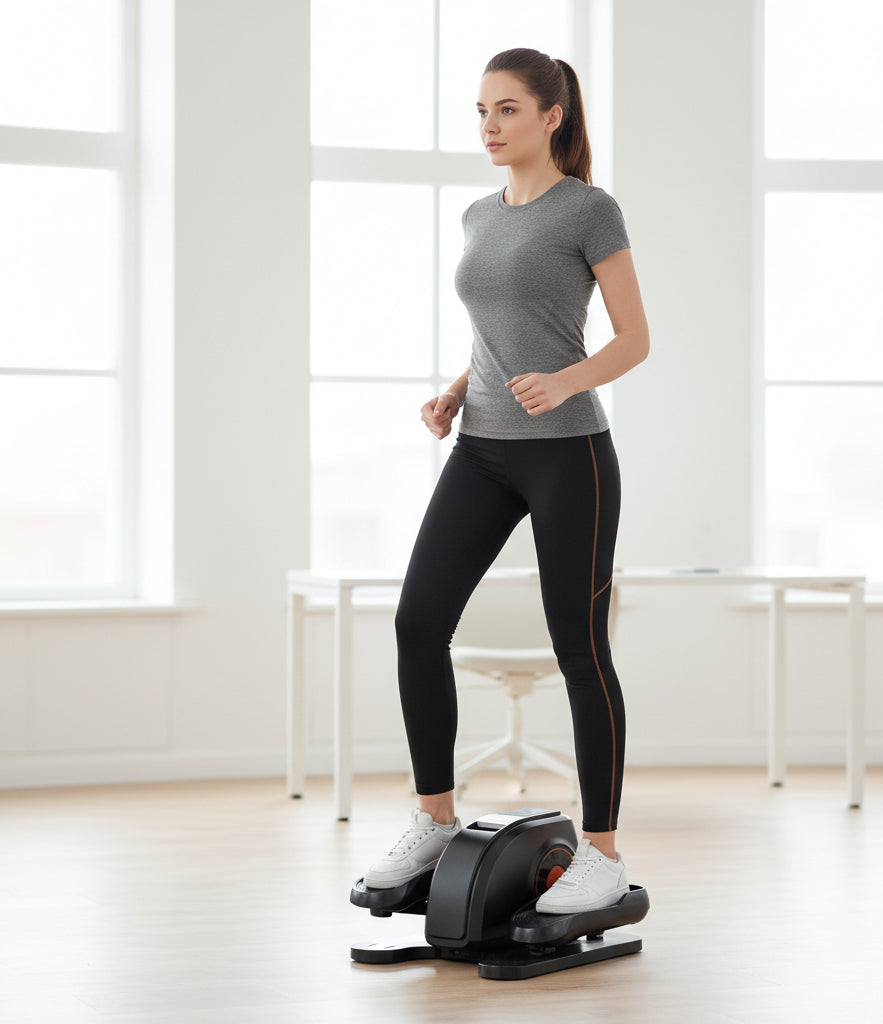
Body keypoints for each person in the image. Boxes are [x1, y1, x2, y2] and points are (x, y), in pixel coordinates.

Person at [363, 47, 650, 914]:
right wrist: (457, 390)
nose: (489, 127)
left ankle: (600, 849)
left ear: (551, 116)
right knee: (419, 622)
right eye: (481, 112)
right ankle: (435, 819)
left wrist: (565, 381)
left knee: (579, 648)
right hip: (483, 447)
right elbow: (499, 331)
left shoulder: (590, 210)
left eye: (508, 111)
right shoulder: (478, 217)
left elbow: (633, 338)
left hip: (569, 454)